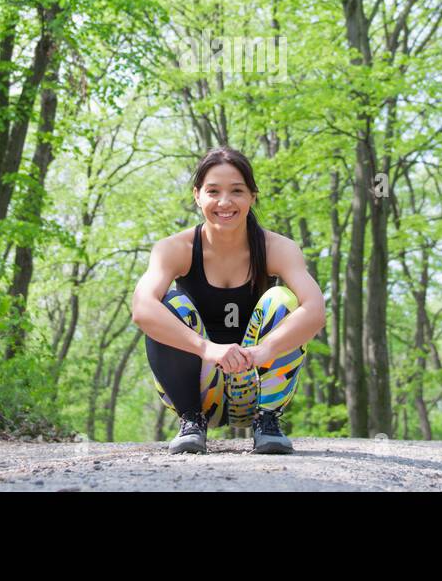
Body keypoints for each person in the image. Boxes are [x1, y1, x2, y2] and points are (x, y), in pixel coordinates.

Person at [131, 147, 326, 454]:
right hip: (197, 389)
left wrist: (265, 351)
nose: (225, 202)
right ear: (197, 196)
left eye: (237, 191)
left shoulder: (279, 248)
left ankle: (268, 421)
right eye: (213, 191)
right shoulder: (174, 248)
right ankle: (191, 421)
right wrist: (207, 349)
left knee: (282, 298)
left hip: (256, 385)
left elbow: (315, 311)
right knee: (168, 302)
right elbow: (141, 309)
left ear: (252, 196)